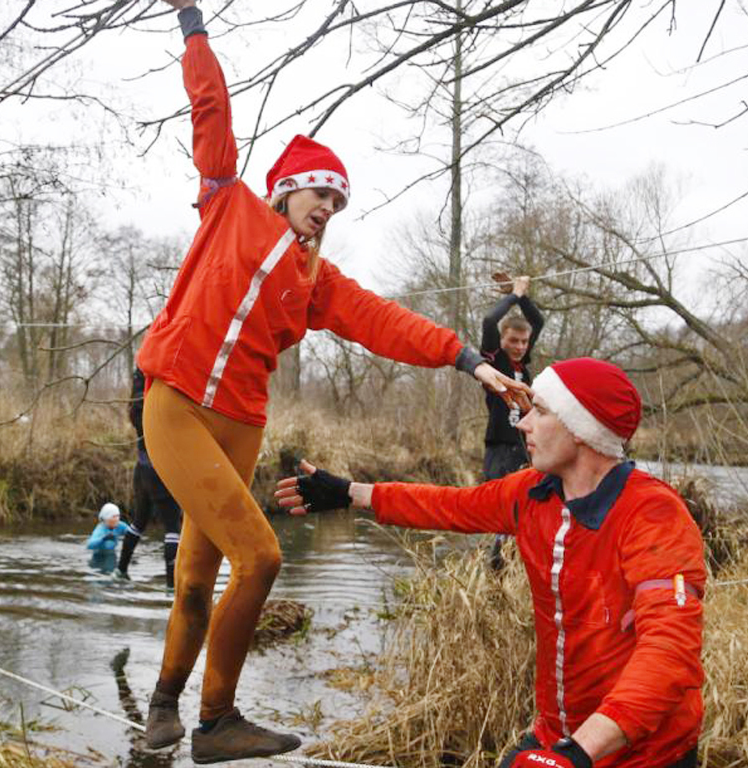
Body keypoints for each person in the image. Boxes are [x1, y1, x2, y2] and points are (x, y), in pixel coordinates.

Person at [137, 2, 531, 761]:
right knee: (261, 557)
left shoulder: (317, 280)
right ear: (286, 189)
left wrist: (472, 361)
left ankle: (162, 707)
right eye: (320, 194)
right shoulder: (227, 205)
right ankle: (216, 721)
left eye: (338, 203)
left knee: (197, 573)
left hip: (241, 423)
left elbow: (386, 322)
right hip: (178, 405)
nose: (328, 208)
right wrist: (191, 23)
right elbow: (210, 106)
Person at [276, 358, 705, 768]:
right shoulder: (534, 492)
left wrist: (578, 753)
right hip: (557, 738)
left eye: (540, 411)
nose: (523, 424)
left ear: (581, 429)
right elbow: (451, 505)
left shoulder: (652, 514)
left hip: (643, 754)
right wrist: (350, 493)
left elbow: (668, 652)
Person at [483, 275, 545, 569]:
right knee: (499, 507)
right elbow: (488, 321)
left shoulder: (523, 363)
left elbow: (538, 321)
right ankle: (495, 566)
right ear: (502, 341)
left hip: (523, 446)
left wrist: (520, 294)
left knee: (523, 505)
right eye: (513, 341)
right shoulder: (495, 361)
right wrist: (513, 296)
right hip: (498, 446)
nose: (519, 346)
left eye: (523, 342)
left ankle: (517, 563)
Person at [117, 368, 182, 588]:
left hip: (141, 470)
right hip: (161, 469)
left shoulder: (136, 410)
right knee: (172, 527)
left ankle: (120, 570)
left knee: (138, 522)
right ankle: (171, 587)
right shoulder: (160, 407)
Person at [87, 503, 131, 573]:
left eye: (117, 516)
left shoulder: (120, 525)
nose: (116, 520)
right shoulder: (100, 530)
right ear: (105, 519)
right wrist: (104, 539)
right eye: (113, 517)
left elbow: (131, 533)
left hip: (112, 554)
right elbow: (90, 545)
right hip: (99, 556)